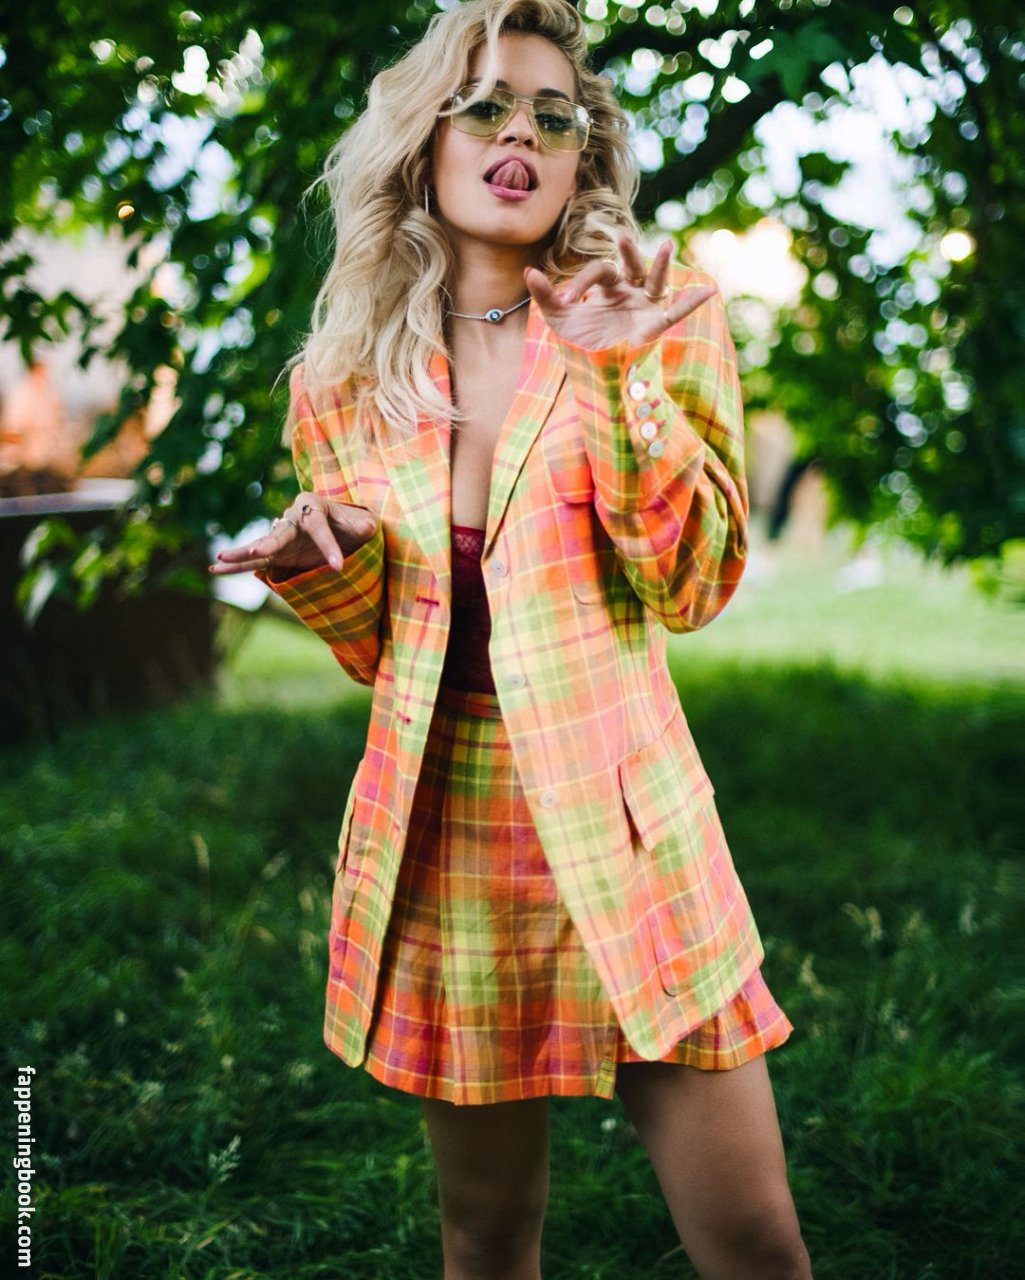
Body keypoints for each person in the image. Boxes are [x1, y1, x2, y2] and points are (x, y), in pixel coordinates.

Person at [212, 2, 812, 1275]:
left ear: (582, 154)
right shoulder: (344, 374)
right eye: (484, 105)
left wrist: (615, 380)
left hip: (630, 828)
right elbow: (382, 653)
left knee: (754, 1238)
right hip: (450, 832)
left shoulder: (657, 309)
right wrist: (317, 568)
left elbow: (692, 582)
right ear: (422, 140)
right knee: (484, 1231)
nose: (520, 136)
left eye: (553, 116)